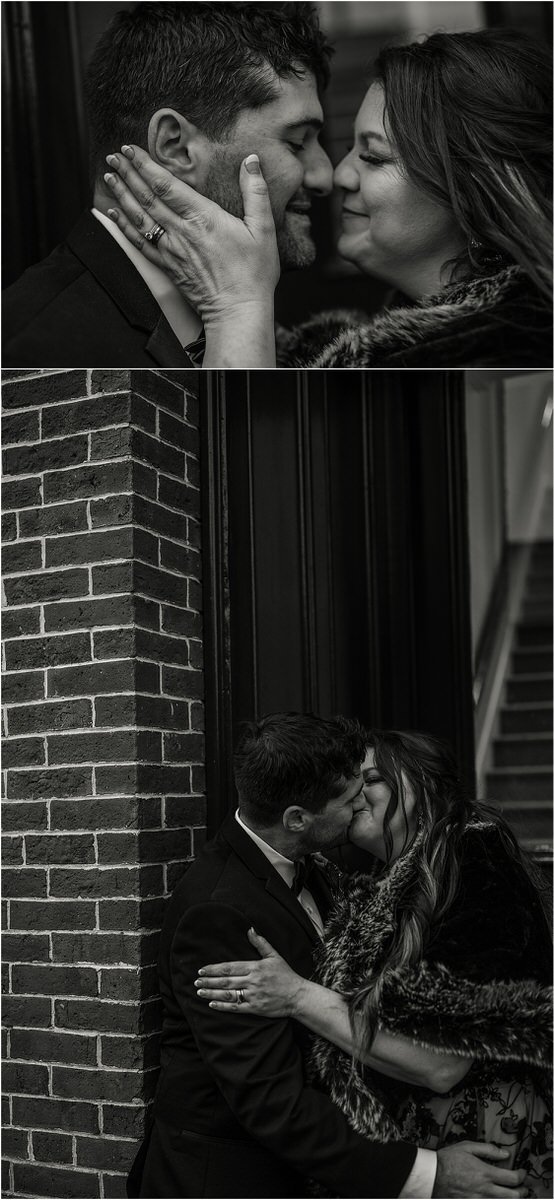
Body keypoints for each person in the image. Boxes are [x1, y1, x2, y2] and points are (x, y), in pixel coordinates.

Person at [128, 712, 531, 1200]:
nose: (361, 799)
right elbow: (269, 1099)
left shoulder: (437, 870)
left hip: (479, 1130)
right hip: (234, 1179)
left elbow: (440, 1058)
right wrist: (425, 1174)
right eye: (351, 794)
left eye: (372, 782)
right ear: (298, 818)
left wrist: (297, 995)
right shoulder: (219, 912)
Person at [101, 27, 553, 368]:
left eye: (374, 157)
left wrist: (238, 308)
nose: (337, 175)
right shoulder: (353, 343)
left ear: (470, 187)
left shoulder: (506, 350)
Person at [2, 2, 333, 368]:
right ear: (175, 145)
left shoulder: (263, 318)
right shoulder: (25, 353)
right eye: (297, 142)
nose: (324, 177)